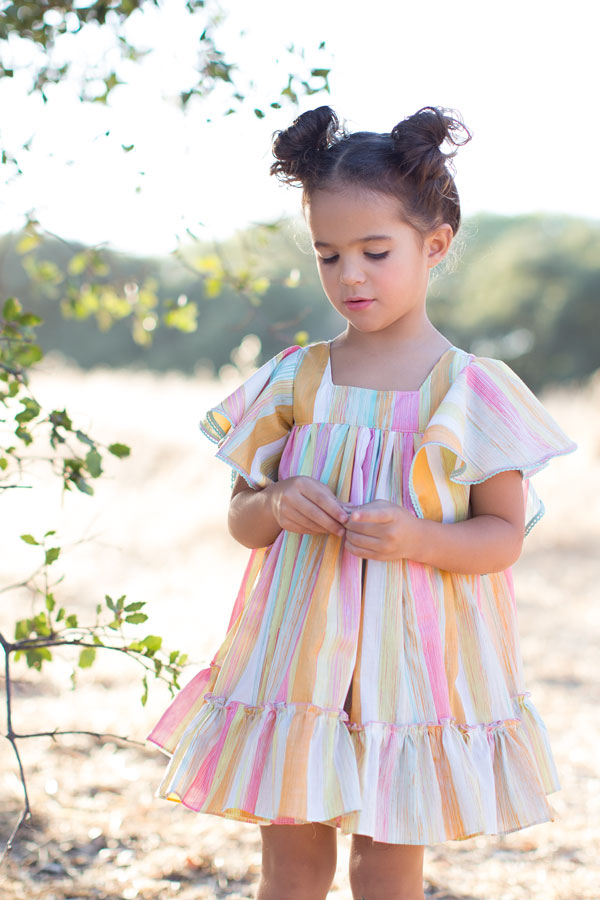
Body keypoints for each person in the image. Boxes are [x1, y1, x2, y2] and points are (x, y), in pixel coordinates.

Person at [147, 106, 577, 900]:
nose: (351, 276)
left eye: (376, 253)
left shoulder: (469, 391)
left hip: (409, 663)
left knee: (386, 857)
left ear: (435, 245)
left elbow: (502, 536)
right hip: (299, 657)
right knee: (292, 851)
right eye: (329, 254)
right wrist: (276, 502)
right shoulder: (299, 378)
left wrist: (418, 536)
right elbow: (242, 520)